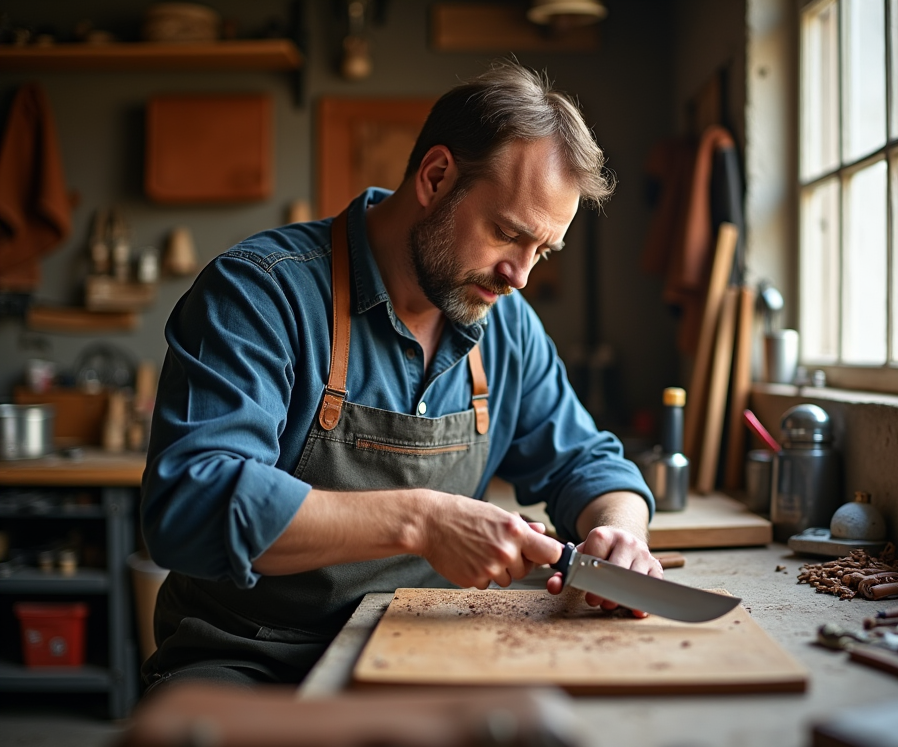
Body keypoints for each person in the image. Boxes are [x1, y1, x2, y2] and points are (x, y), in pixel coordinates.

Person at [140, 60, 660, 692]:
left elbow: (587, 462)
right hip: (252, 658)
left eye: (541, 252)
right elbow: (191, 505)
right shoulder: (260, 293)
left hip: (432, 645)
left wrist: (622, 534)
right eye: (506, 234)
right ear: (436, 176)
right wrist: (421, 521)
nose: (520, 275)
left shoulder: (508, 325)